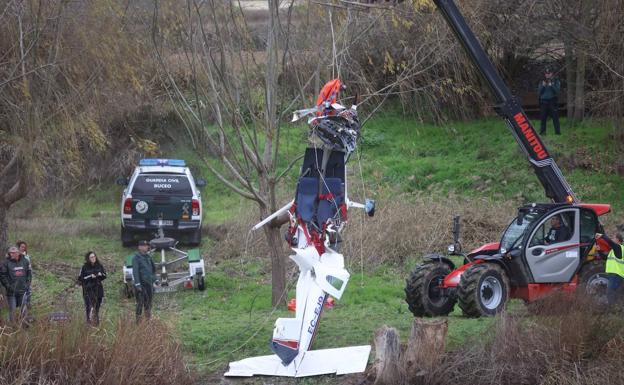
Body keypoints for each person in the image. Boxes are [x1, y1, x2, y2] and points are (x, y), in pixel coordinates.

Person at [0, 246, 32, 322]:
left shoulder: (25, 261)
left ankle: (24, 325)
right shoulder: (5, 263)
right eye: (10, 253)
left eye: (14, 253)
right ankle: (12, 326)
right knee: (12, 309)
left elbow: (29, 273)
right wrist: (8, 286)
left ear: (18, 253)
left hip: (23, 290)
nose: (12, 254)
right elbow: (2, 276)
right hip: (11, 292)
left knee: (23, 309)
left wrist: (27, 284)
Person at [77, 251, 106, 325]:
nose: (93, 258)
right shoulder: (84, 267)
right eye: (91, 257)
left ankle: (96, 323)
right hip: (88, 289)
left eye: (94, 256)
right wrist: (90, 277)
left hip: (98, 289)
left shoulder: (99, 265)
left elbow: (105, 275)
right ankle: (88, 322)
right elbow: (80, 279)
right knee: (89, 306)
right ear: (88, 258)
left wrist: (100, 274)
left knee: (97, 307)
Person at [596, 232, 624, 306]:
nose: (612, 239)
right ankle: (617, 309)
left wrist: (602, 236)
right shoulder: (613, 251)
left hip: (616, 275)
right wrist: (599, 250)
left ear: (618, 240)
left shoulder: (619, 248)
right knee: (616, 293)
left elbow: (610, 242)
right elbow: (605, 258)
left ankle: (613, 309)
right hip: (614, 275)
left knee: (610, 292)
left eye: (613, 238)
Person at [132, 240, 156, 323]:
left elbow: (152, 269)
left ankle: (147, 321)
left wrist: (154, 280)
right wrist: (137, 284)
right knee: (140, 303)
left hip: (149, 284)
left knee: (148, 303)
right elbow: (135, 272)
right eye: (145, 246)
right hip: (141, 284)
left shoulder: (148, 257)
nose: (147, 247)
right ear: (140, 247)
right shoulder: (136, 258)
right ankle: (138, 322)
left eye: (147, 246)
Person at [538, 68, 561, 135]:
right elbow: (539, 93)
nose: (547, 75)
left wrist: (551, 85)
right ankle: (542, 132)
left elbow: (557, 92)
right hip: (543, 102)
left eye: (549, 73)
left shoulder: (556, 81)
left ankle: (557, 133)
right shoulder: (542, 82)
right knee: (543, 118)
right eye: (546, 74)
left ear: (552, 74)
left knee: (555, 117)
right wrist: (543, 86)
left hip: (552, 101)